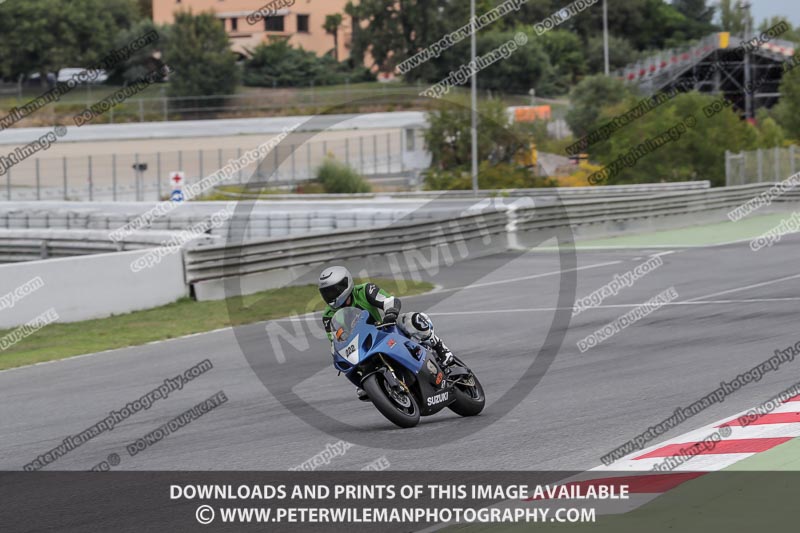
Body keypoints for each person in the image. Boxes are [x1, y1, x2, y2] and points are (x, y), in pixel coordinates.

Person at [318, 266, 454, 400]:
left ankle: (440, 348)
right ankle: (371, 384)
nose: (330, 296)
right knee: (347, 365)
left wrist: (390, 313)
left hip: (383, 330)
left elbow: (389, 301)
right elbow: (335, 341)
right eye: (326, 293)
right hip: (361, 347)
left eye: (333, 291)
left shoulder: (365, 290)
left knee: (411, 320)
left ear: (345, 285)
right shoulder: (328, 316)